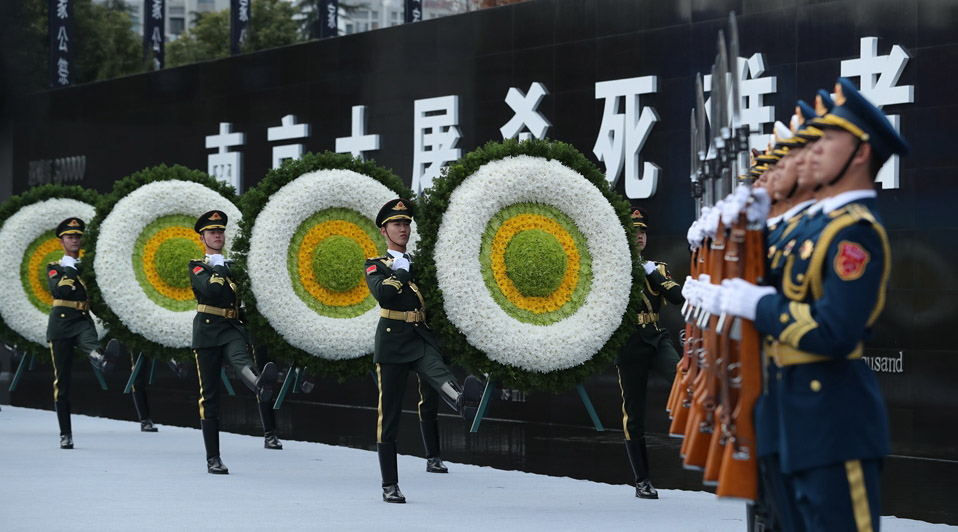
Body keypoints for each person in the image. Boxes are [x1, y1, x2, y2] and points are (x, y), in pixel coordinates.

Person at [720, 78, 908, 531]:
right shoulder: (822, 225)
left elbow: (835, 332)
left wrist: (761, 305)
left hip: (834, 422)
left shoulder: (855, 232)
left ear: (862, 152)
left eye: (829, 139)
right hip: (795, 414)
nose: (813, 151)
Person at [364, 198, 482, 503]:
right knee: (388, 415)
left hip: (420, 337)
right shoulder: (376, 264)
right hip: (391, 341)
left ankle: (460, 400)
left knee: (438, 371)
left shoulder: (421, 264)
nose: (403, 229)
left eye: (406, 224)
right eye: (396, 224)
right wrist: (401, 272)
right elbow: (385, 296)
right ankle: (389, 483)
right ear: (384, 230)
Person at [189, 210, 277, 474]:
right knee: (210, 396)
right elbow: (212, 290)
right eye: (212, 232)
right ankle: (213, 457)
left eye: (221, 231)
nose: (218, 235)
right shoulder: (198, 266)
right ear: (203, 237)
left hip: (231, 327)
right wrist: (218, 266)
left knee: (242, 360)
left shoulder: (233, 267)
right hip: (206, 331)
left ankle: (258, 383)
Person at [615, 207, 683, 499]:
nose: (639, 236)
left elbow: (677, 298)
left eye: (642, 232)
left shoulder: (658, 267)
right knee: (634, 415)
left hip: (656, 338)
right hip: (629, 344)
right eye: (633, 232)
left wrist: (652, 274)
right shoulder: (612, 270)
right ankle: (642, 480)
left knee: (684, 380)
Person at [46, 217, 117, 449]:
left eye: (77, 236)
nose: (75, 240)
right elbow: (60, 289)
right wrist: (70, 268)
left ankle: (100, 359)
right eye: (70, 237)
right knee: (62, 382)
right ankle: (65, 433)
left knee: (91, 341)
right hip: (61, 324)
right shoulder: (55, 267)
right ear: (62, 241)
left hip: (82, 320)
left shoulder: (88, 268)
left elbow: (94, 297)